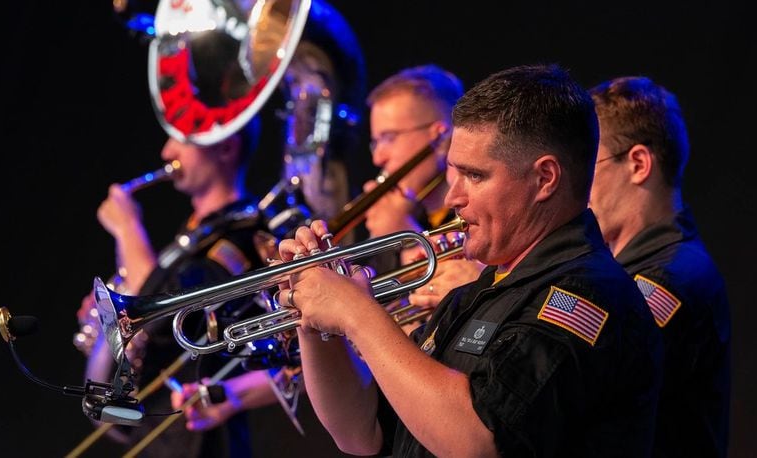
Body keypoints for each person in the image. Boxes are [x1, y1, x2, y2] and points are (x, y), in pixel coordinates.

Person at [275, 64, 664, 456]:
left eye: (475, 176)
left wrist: (358, 314)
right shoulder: (479, 291)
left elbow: (477, 442)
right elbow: (362, 432)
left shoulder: (583, 294)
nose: (451, 198)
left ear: (544, 178)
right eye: (453, 174)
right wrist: (314, 319)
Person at [77, 117, 284, 457]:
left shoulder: (243, 235)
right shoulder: (193, 237)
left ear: (227, 147)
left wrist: (128, 229)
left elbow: (164, 314)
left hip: (199, 442)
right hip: (157, 437)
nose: (166, 151)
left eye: (182, 140)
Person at [589, 76, 731, 457]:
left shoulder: (673, 277)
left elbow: (584, 386)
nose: (572, 188)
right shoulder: (621, 267)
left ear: (637, 163)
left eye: (587, 165)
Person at [362, 64, 485, 326]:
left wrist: (407, 238)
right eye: (375, 141)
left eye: (389, 137)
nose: (377, 157)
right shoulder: (408, 215)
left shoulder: (482, 216)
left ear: (439, 136)